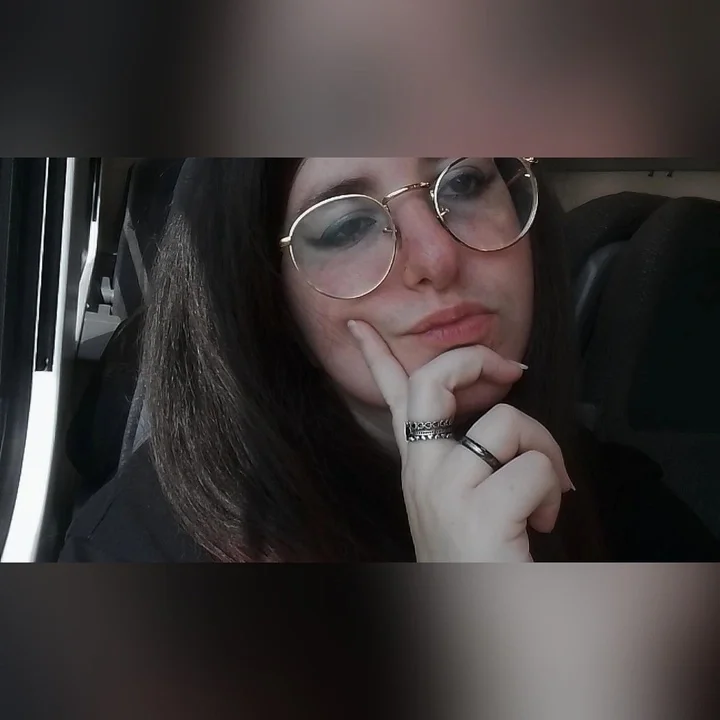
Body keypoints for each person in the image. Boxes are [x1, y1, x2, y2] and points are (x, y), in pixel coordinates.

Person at [59, 158, 720, 562]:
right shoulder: (136, 552)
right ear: (265, 294)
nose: (436, 256)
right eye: (347, 225)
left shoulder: (624, 505)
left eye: (464, 181)